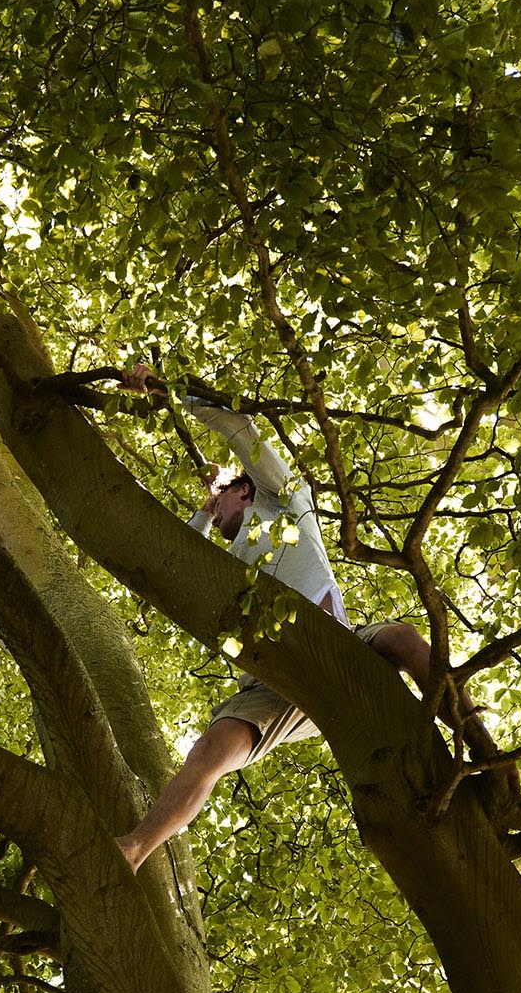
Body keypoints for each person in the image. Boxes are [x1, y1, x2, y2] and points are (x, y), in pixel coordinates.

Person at [114, 365, 442, 873]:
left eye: (221, 493)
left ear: (245, 491)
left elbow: (240, 432)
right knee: (215, 749)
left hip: (340, 643)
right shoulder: (223, 564)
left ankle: (474, 743)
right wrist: (204, 512)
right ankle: (135, 848)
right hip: (276, 682)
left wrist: (168, 387)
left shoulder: (288, 504)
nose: (213, 503)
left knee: (400, 637)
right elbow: (171, 558)